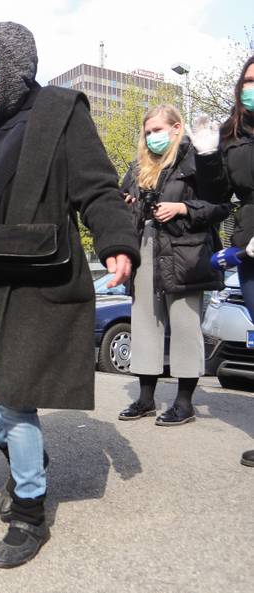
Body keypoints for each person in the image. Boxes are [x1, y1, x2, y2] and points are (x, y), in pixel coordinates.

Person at [0, 22, 139, 569]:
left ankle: (29, 512)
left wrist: (116, 240)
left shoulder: (61, 111)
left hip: (33, 277)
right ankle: (28, 457)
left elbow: (96, 186)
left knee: (17, 398)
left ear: (14, 62)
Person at [117, 104, 229, 426]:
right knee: (145, 324)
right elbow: (122, 202)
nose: (152, 137)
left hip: (184, 252)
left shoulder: (196, 160)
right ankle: (145, 399)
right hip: (146, 248)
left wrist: (182, 207)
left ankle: (184, 403)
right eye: (148, 131)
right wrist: (127, 203)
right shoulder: (139, 167)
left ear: (177, 128)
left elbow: (220, 206)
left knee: (183, 326)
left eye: (158, 130)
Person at [192, 55, 254, 466]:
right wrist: (208, 155)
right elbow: (217, 196)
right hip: (249, 246)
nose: (252, 87)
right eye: (248, 80)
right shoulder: (232, 134)